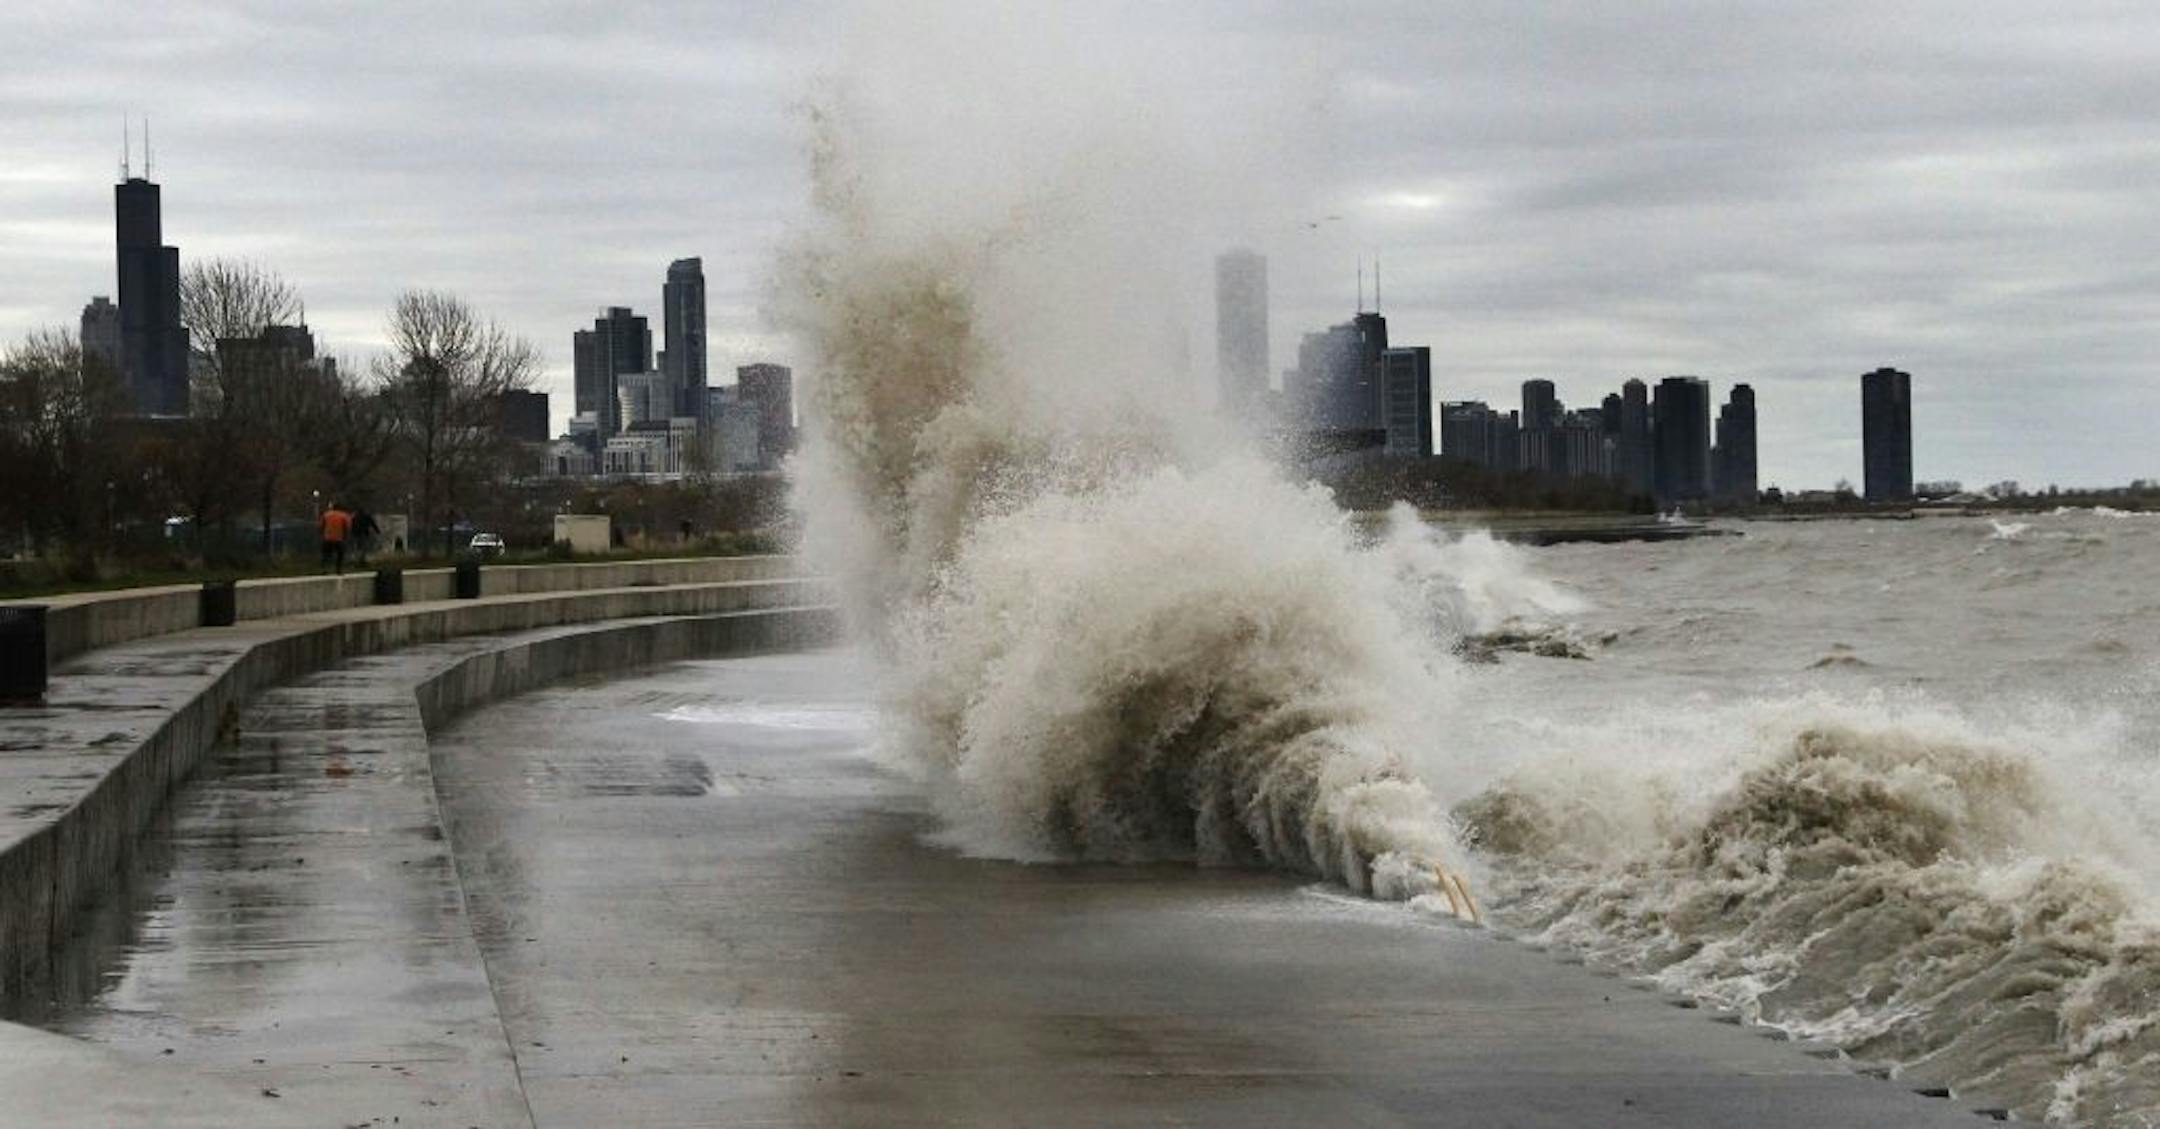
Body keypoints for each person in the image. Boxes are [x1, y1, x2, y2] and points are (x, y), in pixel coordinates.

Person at [319, 501, 353, 574]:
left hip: (327, 537)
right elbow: (347, 527)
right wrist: (346, 537)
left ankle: (324, 569)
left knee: (326, 554)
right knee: (340, 555)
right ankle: (338, 569)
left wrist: (322, 534)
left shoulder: (326, 515)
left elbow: (321, 525)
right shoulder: (344, 516)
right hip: (339, 538)